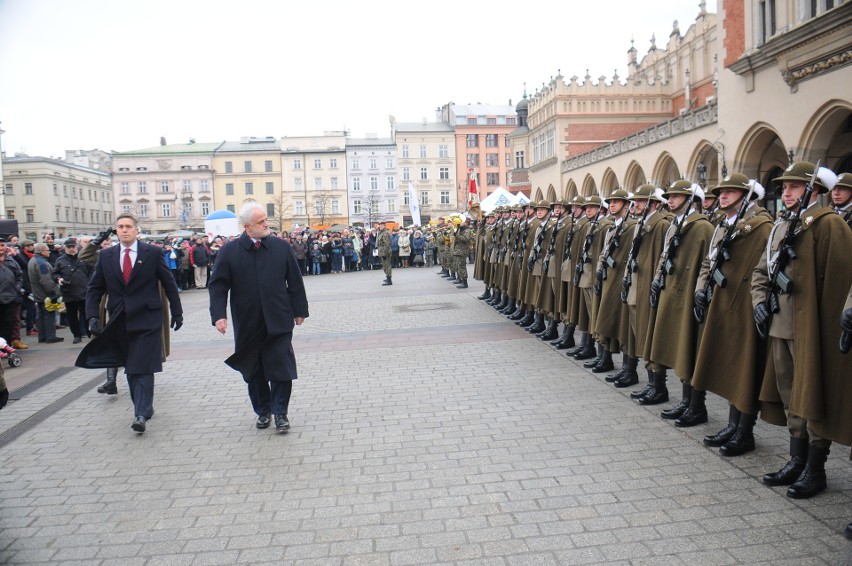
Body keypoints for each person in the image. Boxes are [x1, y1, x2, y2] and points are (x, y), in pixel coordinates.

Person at [752, 162, 851, 499]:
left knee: (812, 393)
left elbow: (839, 282)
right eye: (784, 187)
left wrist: (825, 325)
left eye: (795, 186)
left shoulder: (829, 224)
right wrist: (759, 302)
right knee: (789, 392)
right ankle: (797, 458)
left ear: (815, 191)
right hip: (781, 321)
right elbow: (761, 271)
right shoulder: (783, 226)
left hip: (810, 328)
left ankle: (816, 467)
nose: (787, 192)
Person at [76, 213, 183, 433]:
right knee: (132, 367)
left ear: (136, 231)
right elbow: (95, 288)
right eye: (120, 227)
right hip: (119, 319)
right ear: (116, 231)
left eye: (128, 226)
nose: (124, 230)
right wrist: (92, 317)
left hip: (147, 318)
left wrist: (177, 312)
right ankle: (144, 407)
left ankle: (140, 414)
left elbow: (168, 283)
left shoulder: (151, 253)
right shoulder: (107, 256)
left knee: (141, 365)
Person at [208, 202, 309, 432]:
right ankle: (263, 411)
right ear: (247, 227)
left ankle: (280, 412)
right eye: (261, 222)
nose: (266, 225)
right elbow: (218, 286)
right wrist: (218, 316)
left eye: (266, 220)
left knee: (281, 365)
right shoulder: (229, 251)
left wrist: (300, 310)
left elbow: (294, 281)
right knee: (254, 369)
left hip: (279, 318)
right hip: (248, 321)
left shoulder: (281, 247)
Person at [54, 238, 93, 343]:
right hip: (69, 292)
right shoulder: (60, 260)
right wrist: (59, 279)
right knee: (72, 316)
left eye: (73, 247)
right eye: (69, 247)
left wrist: (89, 283)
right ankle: (77, 334)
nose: (71, 249)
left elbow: (92, 271)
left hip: (84, 291)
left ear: (77, 246)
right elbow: (55, 273)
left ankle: (87, 332)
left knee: (85, 314)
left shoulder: (83, 258)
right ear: (65, 248)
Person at [28, 243, 63, 344]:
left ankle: (42, 337)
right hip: (45, 294)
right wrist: (53, 293)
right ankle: (50, 337)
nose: (49, 252)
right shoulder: (41, 263)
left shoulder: (33, 260)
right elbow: (46, 280)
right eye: (48, 250)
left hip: (38, 293)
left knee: (41, 316)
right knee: (49, 315)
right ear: (42, 252)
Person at [0, 238, 24, 348]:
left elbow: (19, 276)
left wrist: (17, 288)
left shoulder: (10, 261)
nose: (1, 248)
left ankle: (7, 347)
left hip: (11, 297)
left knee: (9, 324)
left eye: (2, 245)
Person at [376, 221, 392, 285]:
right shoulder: (381, 233)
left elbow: (387, 244)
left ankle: (389, 280)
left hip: (385, 252)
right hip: (382, 251)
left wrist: (385, 253)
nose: (380, 227)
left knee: (387, 266)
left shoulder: (385, 233)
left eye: (382, 225)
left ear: (384, 226)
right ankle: (388, 277)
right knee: (385, 266)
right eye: (380, 225)